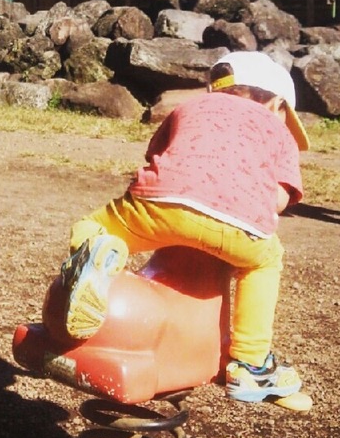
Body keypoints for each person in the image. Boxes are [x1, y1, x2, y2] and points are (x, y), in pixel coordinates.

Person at [59, 50, 309, 404]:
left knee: (93, 226)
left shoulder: (187, 108)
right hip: (239, 224)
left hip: (159, 206)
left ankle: (102, 257)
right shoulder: (277, 129)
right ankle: (251, 365)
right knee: (265, 262)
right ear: (278, 104)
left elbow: (157, 155)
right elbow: (280, 199)